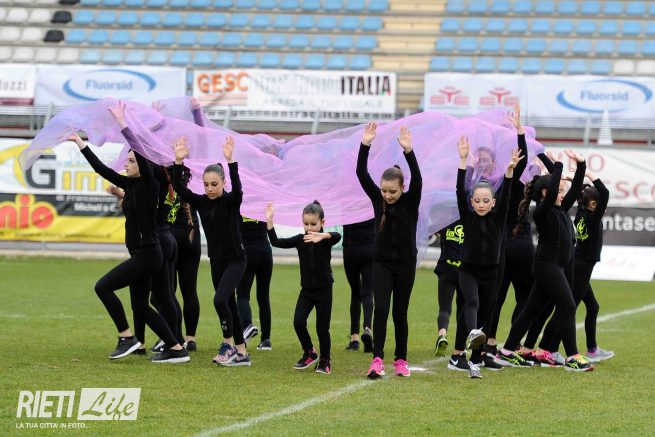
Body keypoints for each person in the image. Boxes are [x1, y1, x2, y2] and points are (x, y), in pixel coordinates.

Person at [70, 101, 189, 364]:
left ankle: (126, 337)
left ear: (142, 165)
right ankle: (176, 349)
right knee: (141, 307)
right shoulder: (131, 185)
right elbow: (101, 169)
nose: (126, 163)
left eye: (131, 161)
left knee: (103, 287)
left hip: (148, 255)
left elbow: (140, 151)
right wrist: (79, 142)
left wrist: (123, 122)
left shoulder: (148, 185)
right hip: (142, 253)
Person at [497, 150, 594, 372]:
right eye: (558, 191)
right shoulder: (542, 212)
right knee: (568, 306)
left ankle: (507, 350)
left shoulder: (561, 208)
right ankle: (573, 357)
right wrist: (557, 166)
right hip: (547, 266)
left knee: (531, 311)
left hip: (554, 267)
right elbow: (551, 196)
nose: (562, 194)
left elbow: (575, 190)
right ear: (545, 192)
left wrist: (581, 166)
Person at [172, 135, 250, 367]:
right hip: (216, 260)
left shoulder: (231, 201)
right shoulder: (202, 202)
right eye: (206, 184)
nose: (209, 188)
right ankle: (241, 353)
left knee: (219, 300)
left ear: (223, 183)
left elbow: (238, 190)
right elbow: (179, 188)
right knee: (230, 304)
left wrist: (231, 161)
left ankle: (227, 345)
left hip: (236, 260)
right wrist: (178, 162)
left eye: (214, 184)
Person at [356, 124, 422, 379]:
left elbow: (418, 179)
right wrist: (365, 144)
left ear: (402, 188)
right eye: (384, 190)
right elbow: (362, 173)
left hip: (405, 263)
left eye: (392, 191)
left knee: (400, 313)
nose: (387, 195)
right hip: (381, 262)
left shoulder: (411, 199)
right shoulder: (378, 199)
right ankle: (377, 360)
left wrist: (409, 152)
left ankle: (401, 360)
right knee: (381, 310)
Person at [454, 136, 521, 378]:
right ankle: (472, 335)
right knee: (472, 303)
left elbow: (508, 194)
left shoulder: (498, 217)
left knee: (487, 312)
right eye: (477, 201)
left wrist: (510, 171)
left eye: (485, 201)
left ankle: (476, 359)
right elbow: (459, 190)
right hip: (468, 270)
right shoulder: (468, 216)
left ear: (493, 202)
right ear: (471, 202)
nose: (481, 204)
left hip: (491, 272)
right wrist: (463, 161)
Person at [266, 201, 341, 374]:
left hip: (324, 291)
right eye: (306, 224)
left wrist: (323, 236)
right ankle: (309, 352)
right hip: (306, 291)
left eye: (313, 224)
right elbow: (276, 242)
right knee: (298, 322)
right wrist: (270, 221)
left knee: (322, 329)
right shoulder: (301, 240)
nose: (309, 228)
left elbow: (337, 236)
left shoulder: (325, 240)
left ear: (322, 222)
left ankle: (325, 360)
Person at [486, 105, 534, 358]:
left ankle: (489, 342)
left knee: (497, 296)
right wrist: (519, 131)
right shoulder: (513, 183)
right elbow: (523, 160)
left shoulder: (491, 187)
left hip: (500, 245)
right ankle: (513, 343)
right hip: (520, 243)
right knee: (525, 296)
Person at [237, 216, 274, 351]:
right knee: (263, 296)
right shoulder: (263, 205)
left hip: (247, 251)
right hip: (265, 251)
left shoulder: (238, 204)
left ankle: (247, 326)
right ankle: (266, 340)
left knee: (242, 295)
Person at [342, 219, 375, 353]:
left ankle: (354, 339)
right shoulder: (372, 206)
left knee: (355, 292)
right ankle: (367, 328)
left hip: (350, 249)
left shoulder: (346, 206)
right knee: (368, 292)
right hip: (369, 248)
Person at [433, 220, 463, 357]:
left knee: (444, 309)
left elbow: (430, 229)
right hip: (464, 272)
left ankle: (442, 334)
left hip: (446, 270)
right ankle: (460, 343)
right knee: (463, 308)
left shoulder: (444, 221)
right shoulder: (470, 221)